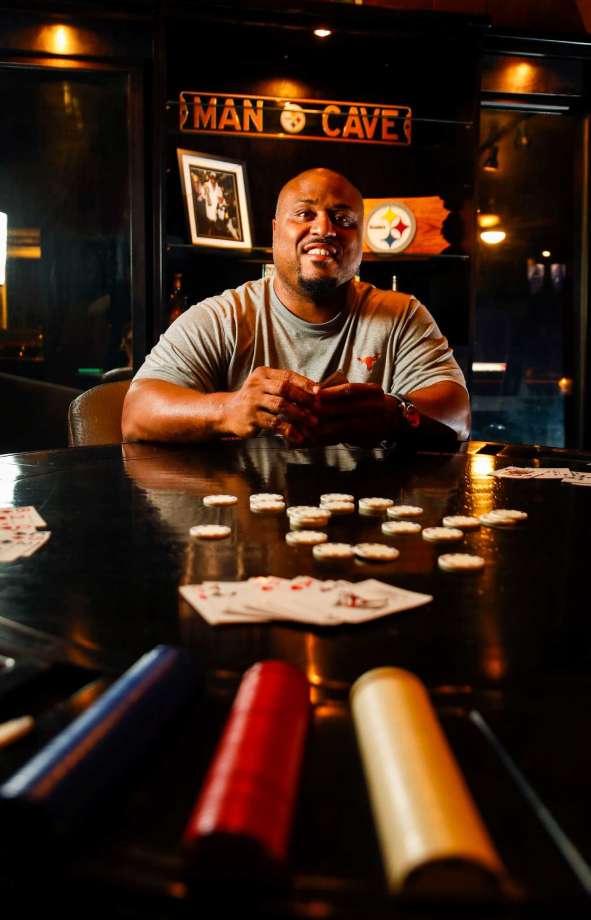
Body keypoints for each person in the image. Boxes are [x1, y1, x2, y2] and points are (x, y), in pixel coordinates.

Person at [123, 168, 470, 447]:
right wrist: (230, 409)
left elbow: (458, 415)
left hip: (369, 518)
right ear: (275, 232)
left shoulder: (401, 315)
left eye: (343, 219)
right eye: (305, 214)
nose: (324, 229)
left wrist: (394, 414)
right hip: (245, 519)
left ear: (360, 241)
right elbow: (137, 412)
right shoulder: (224, 316)